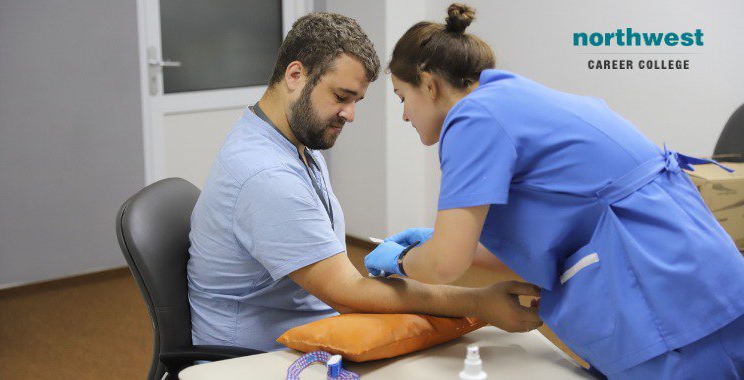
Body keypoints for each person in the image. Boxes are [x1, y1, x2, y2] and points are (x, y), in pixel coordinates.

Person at [364, 3, 744, 379]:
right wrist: (441, 242)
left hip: (670, 303)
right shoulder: (510, 99)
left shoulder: (471, 118)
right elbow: (539, 239)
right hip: (699, 279)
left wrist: (403, 261)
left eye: (402, 97)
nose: (404, 115)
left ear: (429, 84)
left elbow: (445, 265)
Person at [187, 12, 542, 352]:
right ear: (295, 75)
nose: (350, 114)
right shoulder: (265, 175)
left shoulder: (286, 141)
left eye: (356, 101)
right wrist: (479, 301)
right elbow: (345, 292)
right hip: (257, 356)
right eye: (341, 97)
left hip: (310, 324)